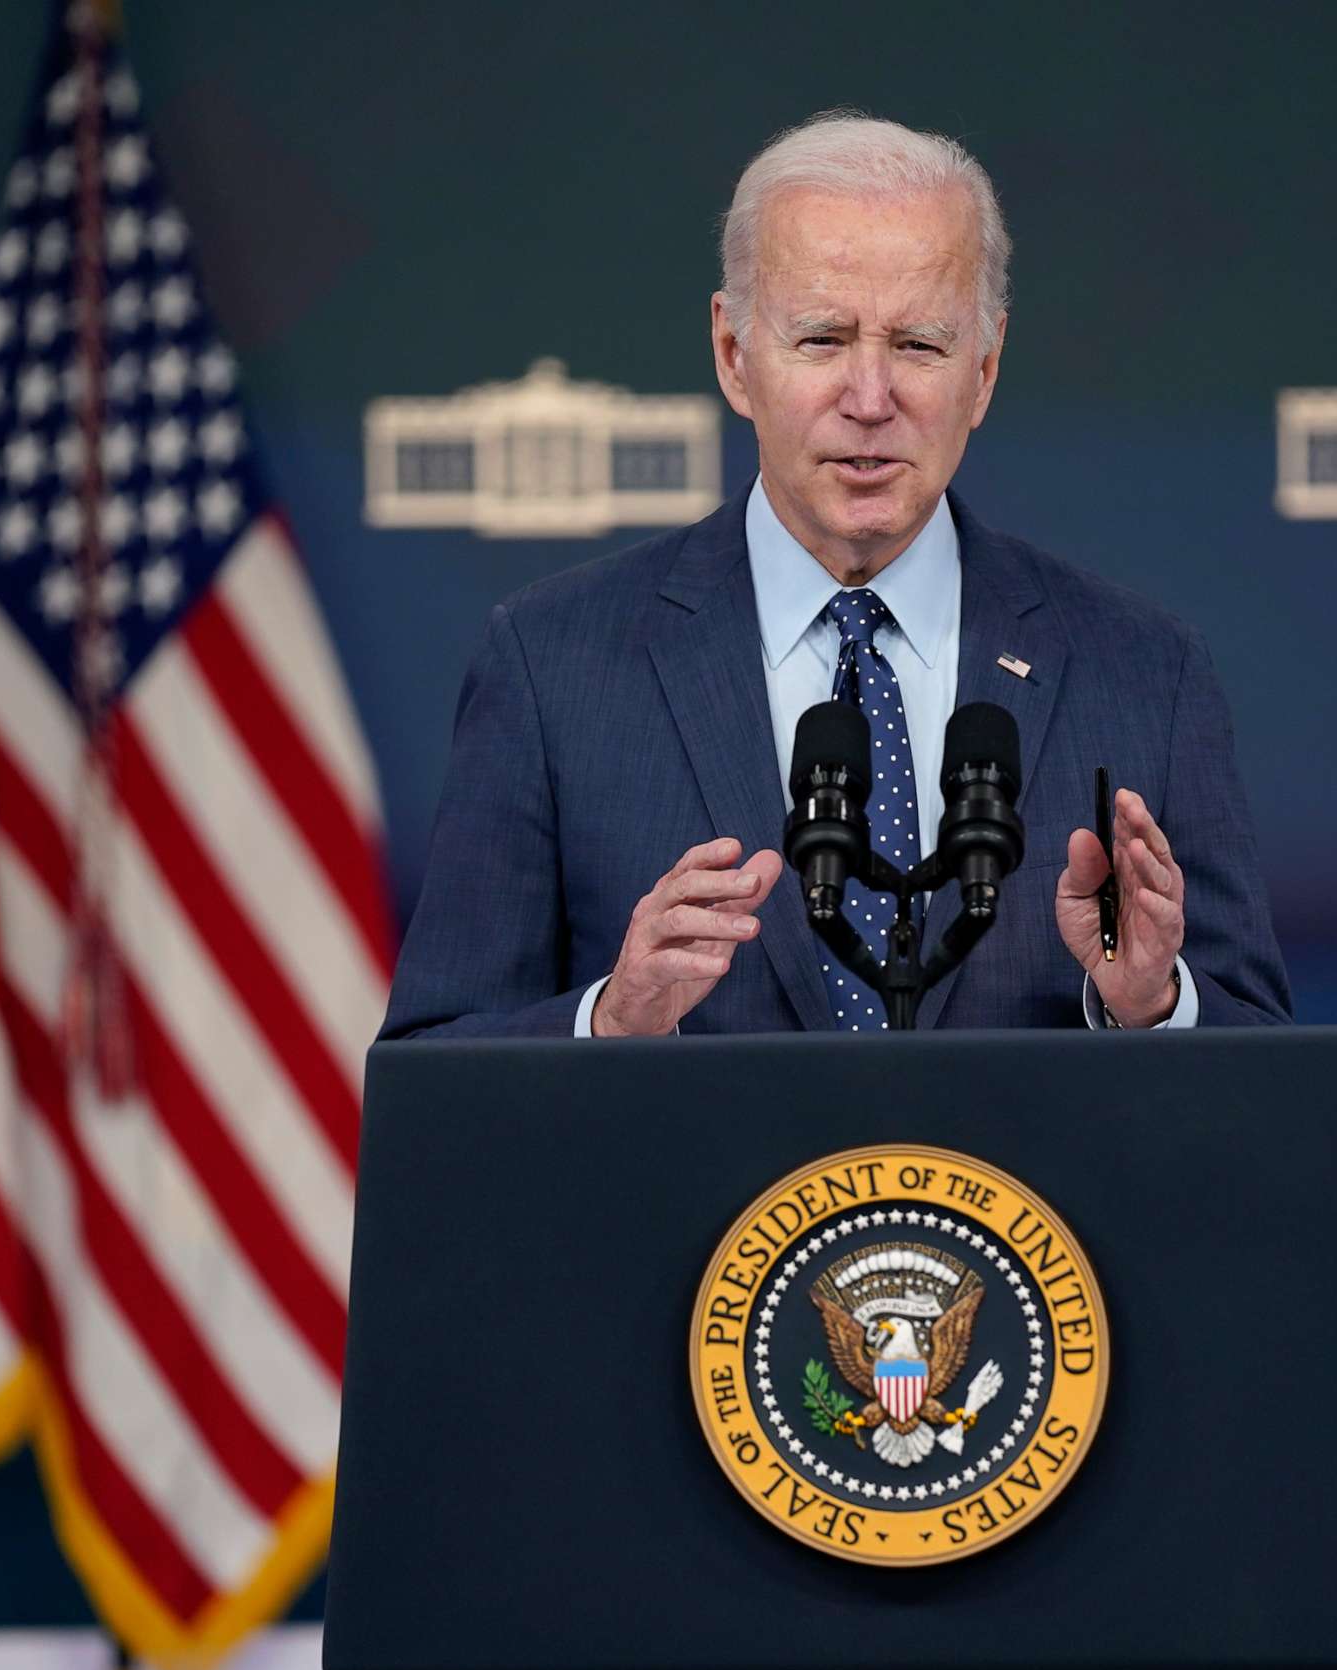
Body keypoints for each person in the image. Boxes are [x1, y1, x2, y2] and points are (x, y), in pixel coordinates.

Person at [380, 111, 1289, 1038]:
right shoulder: (553, 665)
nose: (868, 400)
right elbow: (434, 1074)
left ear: (984, 368)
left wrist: (1153, 1002)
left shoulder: (1143, 674)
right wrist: (610, 1023)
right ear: (735, 356)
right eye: (822, 340)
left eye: (919, 346)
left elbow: (1277, 1089)